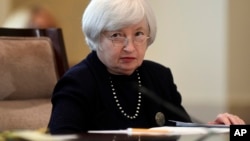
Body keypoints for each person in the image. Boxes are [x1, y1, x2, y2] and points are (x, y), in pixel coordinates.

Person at [48, 0, 245, 134]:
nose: (130, 47)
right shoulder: (77, 83)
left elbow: (182, 131)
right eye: (117, 35)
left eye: (139, 34)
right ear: (95, 36)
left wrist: (216, 128)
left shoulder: (159, 77)